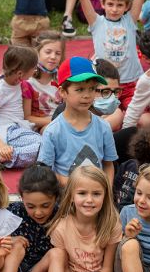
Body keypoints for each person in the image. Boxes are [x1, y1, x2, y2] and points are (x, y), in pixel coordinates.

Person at [46, 165, 122, 272]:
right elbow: (63, 264)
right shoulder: (61, 227)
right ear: (72, 195)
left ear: (105, 196)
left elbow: (108, 268)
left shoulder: (111, 225)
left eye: (96, 194)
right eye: (82, 193)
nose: (89, 200)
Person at [39, 57, 117, 186]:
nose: (87, 95)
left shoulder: (103, 127)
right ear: (63, 92)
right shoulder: (53, 131)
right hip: (67, 199)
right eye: (80, 89)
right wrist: (75, 185)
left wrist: (105, 190)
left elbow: (108, 165)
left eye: (92, 89)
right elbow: (46, 170)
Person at [0, 165, 61, 272]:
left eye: (45, 205)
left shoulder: (61, 215)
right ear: (22, 198)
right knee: (16, 244)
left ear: (55, 198)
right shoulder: (13, 212)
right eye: (30, 206)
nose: (38, 212)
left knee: (57, 253)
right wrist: (10, 240)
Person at [0, 46, 39, 163]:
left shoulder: (17, 82)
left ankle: (6, 154)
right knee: (44, 146)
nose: (35, 71)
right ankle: (1, 157)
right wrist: (1, 146)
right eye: (34, 69)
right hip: (8, 132)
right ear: (20, 73)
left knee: (50, 142)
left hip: (17, 129)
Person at [22, 31, 63, 130]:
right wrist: (57, 120)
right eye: (48, 52)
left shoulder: (63, 78)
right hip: (43, 128)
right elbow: (27, 118)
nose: (53, 57)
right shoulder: (28, 82)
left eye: (58, 53)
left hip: (66, 123)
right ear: (37, 52)